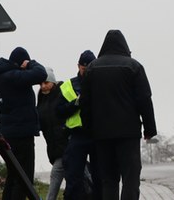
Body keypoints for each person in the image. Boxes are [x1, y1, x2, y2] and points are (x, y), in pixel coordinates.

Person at [81, 30, 157, 200]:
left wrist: (88, 129)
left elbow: (85, 103)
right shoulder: (134, 66)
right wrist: (149, 128)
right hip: (128, 134)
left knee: (109, 179)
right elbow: (144, 99)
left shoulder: (92, 68)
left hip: (102, 134)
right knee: (130, 178)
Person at [0, 47, 48, 200]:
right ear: (20, 63)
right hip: (22, 134)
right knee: (24, 179)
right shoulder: (14, 77)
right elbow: (41, 74)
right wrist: (31, 63)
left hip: (7, 133)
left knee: (13, 176)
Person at [57, 50, 102, 200]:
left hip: (97, 134)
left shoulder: (102, 83)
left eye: (90, 68)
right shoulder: (68, 86)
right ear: (78, 66)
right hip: (77, 135)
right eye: (84, 68)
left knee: (100, 177)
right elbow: (59, 112)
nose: (87, 71)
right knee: (73, 177)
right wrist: (76, 103)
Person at [37, 67, 66, 200]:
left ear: (53, 82)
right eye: (41, 83)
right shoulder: (41, 99)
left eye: (46, 83)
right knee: (81, 177)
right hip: (53, 147)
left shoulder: (62, 93)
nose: (43, 86)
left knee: (56, 175)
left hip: (66, 145)